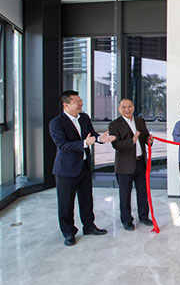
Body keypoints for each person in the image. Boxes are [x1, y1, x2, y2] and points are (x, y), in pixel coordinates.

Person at [49, 90, 116, 246]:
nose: (81, 104)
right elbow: (62, 145)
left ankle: (89, 226)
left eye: (81, 101)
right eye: (77, 102)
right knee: (66, 203)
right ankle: (68, 233)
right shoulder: (56, 123)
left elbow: (92, 135)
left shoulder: (84, 118)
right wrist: (85, 143)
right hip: (66, 170)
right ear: (66, 105)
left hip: (84, 167)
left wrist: (100, 138)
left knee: (87, 200)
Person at [108, 99, 154, 231]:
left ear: (133, 107)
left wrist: (150, 140)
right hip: (124, 166)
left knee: (142, 193)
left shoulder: (140, 121)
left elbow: (145, 137)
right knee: (125, 195)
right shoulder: (114, 125)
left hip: (140, 163)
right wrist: (132, 140)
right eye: (123, 107)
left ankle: (144, 217)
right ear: (119, 109)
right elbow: (116, 145)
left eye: (129, 106)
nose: (127, 109)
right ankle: (127, 220)